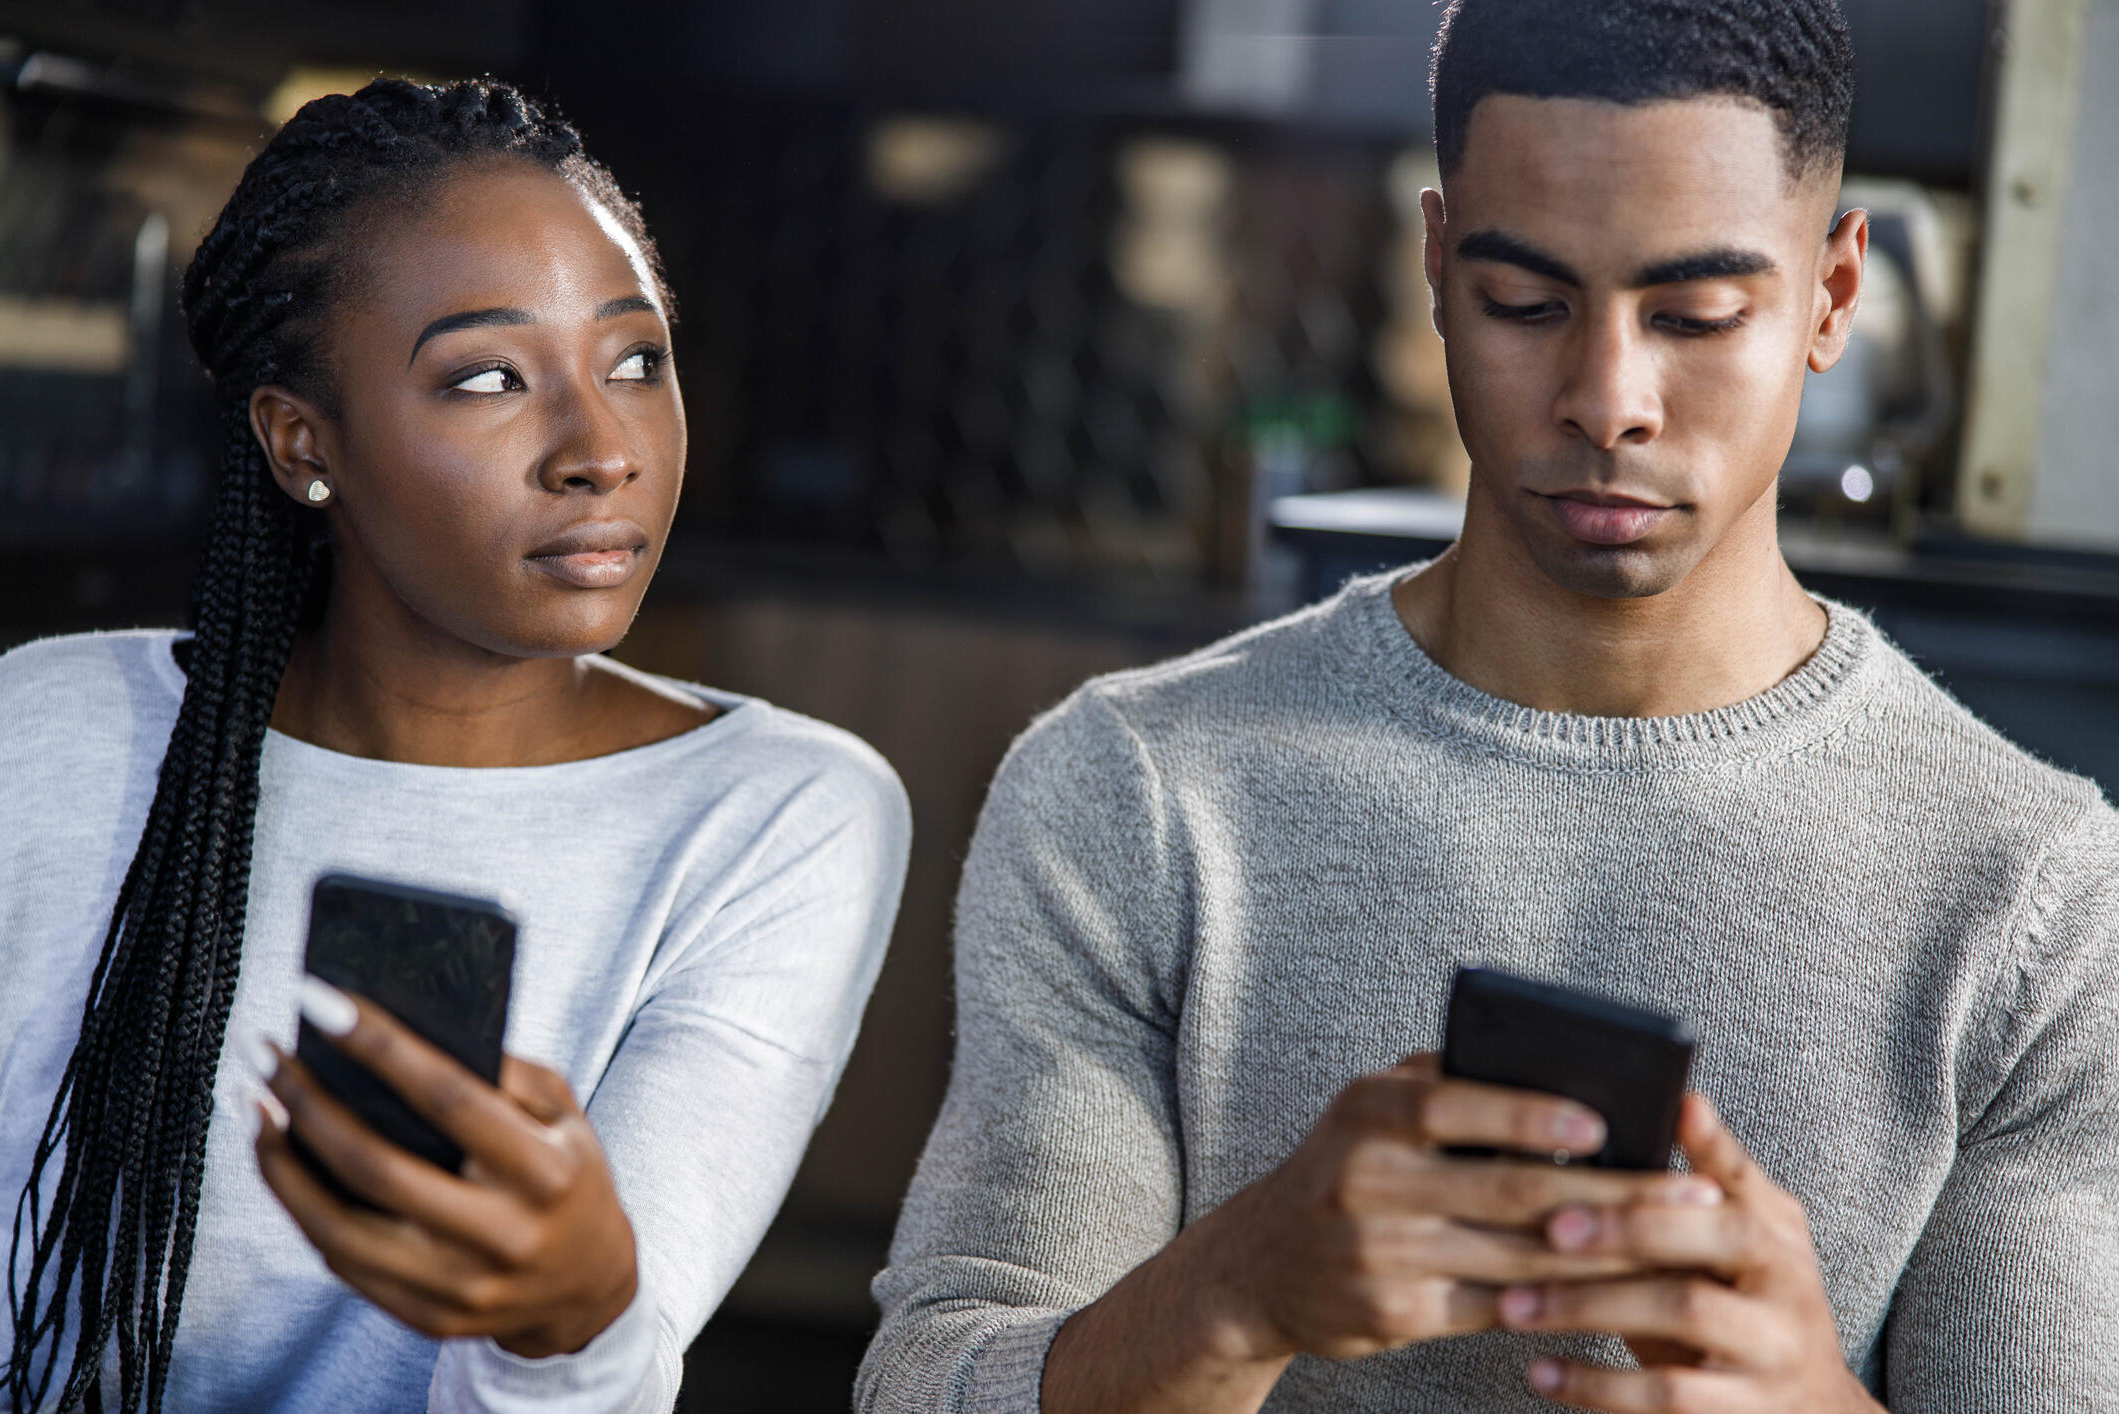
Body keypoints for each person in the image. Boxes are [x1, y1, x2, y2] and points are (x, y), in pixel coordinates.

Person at [857, 2, 2119, 1411]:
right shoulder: (1137, 789)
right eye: (1526, 302)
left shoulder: (2038, 904)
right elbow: (927, 1382)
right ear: (1438, 263)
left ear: (1829, 297)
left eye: (1694, 315)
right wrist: (1233, 1291)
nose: (1606, 399)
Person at [0, 78, 909, 1414]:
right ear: (304, 441)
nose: (600, 449)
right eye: (487, 377)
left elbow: (607, 1366)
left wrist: (568, 1315)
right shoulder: (48, 728)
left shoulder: (782, 814)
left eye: (635, 361)